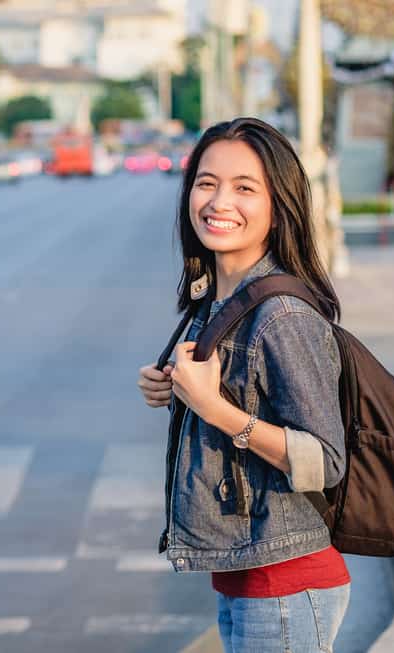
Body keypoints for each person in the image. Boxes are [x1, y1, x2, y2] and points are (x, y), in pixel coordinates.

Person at [137, 117, 350, 652]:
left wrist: (212, 407)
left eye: (244, 188)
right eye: (206, 183)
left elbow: (324, 461)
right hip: (247, 576)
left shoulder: (281, 315)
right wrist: (177, 392)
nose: (218, 201)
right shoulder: (218, 303)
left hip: (285, 582)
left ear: (278, 207)